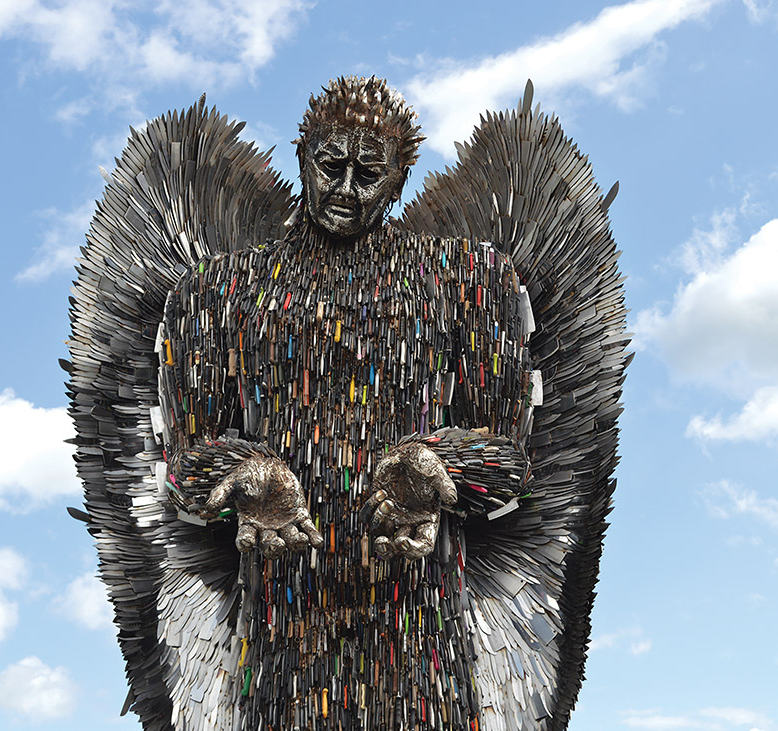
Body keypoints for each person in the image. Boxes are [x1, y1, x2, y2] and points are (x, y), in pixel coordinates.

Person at [156, 76, 532, 729]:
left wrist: (438, 463)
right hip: (284, 636)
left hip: (418, 635)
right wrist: (243, 473)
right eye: (331, 166)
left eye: (369, 174)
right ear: (303, 157)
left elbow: (514, 460)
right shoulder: (217, 292)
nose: (345, 190)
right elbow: (185, 463)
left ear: (398, 184)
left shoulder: (468, 279)